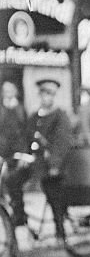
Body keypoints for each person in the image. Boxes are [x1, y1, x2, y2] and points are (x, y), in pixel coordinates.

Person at [26, 79, 75, 231]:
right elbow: (28, 138)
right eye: (43, 94)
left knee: (55, 197)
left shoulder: (60, 116)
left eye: (50, 94)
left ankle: (60, 231)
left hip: (56, 167)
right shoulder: (35, 117)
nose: (46, 98)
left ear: (54, 96)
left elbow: (62, 142)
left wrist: (54, 164)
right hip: (40, 165)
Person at [0, 80, 29, 225]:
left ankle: (19, 216)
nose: (8, 93)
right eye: (5, 90)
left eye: (10, 90)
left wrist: (24, 154)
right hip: (3, 155)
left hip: (18, 156)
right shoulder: (1, 110)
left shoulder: (20, 110)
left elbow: (25, 134)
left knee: (14, 182)